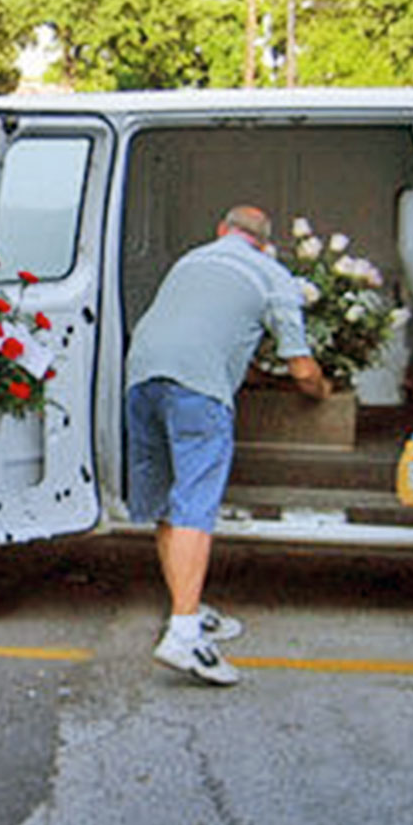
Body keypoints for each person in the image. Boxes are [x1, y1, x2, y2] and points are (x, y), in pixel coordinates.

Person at [125, 204, 330, 686]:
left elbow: (201, 330)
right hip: (198, 389)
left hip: (142, 377)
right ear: (264, 242)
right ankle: (183, 634)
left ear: (222, 231)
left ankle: (188, 606)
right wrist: (322, 391)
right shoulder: (273, 274)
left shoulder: (190, 261)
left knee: (169, 501)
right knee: (196, 503)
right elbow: (301, 368)